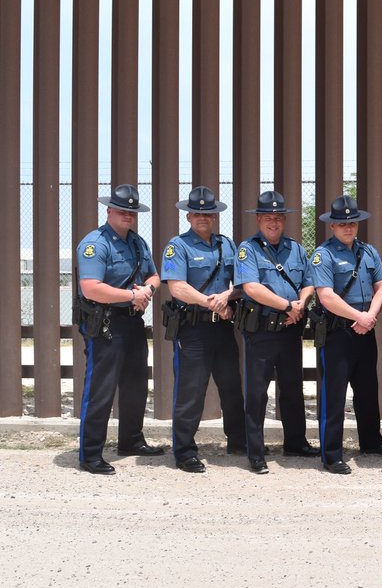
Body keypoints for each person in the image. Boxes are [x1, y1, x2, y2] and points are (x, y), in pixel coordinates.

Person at [75, 184, 164, 474]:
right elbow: (90, 289)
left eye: (132, 211)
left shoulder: (137, 243)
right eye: (123, 210)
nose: (128, 215)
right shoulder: (96, 244)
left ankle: (130, 440)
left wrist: (147, 291)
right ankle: (90, 454)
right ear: (109, 210)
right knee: (100, 390)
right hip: (105, 324)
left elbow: (154, 275)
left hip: (132, 321)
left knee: (136, 385)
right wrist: (131, 296)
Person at [160, 186, 245, 473]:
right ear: (188, 216)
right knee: (190, 392)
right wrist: (212, 303)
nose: (202, 217)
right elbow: (177, 287)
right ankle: (184, 451)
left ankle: (238, 441)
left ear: (215, 216)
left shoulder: (227, 245)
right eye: (196, 212)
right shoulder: (178, 246)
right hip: (193, 329)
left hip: (222, 328)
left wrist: (226, 298)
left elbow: (241, 285)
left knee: (232, 387)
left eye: (207, 213)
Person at [234, 191, 317, 474]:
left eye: (278, 217)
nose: (273, 222)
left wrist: (302, 303)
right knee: (258, 393)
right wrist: (286, 305)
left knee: (293, 388)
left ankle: (295, 442)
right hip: (261, 331)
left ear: (284, 220)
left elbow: (309, 282)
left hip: (291, 330)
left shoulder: (296, 249)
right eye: (267, 217)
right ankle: (255, 452)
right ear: (259, 220)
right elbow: (251, 288)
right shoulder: (248, 249)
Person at [308, 195, 382, 475]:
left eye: (352, 223)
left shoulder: (369, 252)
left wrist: (370, 317)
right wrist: (360, 317)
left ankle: (371, 442)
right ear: (332, 226)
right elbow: (326, 296)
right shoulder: (323, 254)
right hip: (338, 334)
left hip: (365, 331)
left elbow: (381, 286)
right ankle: (331, 454)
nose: (348, 228)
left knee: (368, 390)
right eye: (342, 224)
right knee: (334, 395)